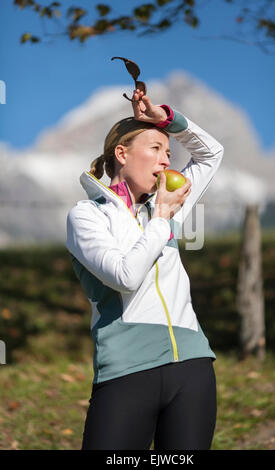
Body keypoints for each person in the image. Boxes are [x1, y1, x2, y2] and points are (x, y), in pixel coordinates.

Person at [65, 88, 224, 450]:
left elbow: (211, 153)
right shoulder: (87, 215)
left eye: (169, 153)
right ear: (122, 153)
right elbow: (125, 276)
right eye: (155, 148)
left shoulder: (165, 204)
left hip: (193, 368)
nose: (167, 161)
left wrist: (166, 120)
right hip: (126, 371)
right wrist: (163, 218)